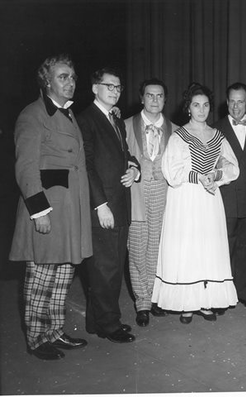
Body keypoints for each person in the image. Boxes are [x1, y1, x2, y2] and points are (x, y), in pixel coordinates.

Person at [9, 54, 91, 360]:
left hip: (70, 210)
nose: (70, 82)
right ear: (46, 81)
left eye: (72, 76)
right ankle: (36, 338)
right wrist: (39, 211)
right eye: (62, 76)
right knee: (40, 277)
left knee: (62, 276)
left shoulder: (69, 115)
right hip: (48, 209)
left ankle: (54, 331)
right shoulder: (33, 115)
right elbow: (26, 167)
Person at [151, 83, 239, 324]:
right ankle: (186, 305)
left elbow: (232, 167)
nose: (201, 110)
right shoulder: (179, 136)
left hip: (209, 199)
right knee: (188, 249)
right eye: (196, 105)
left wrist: (215, 176)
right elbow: (171, 171)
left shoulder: (217, 135)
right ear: (188, 108)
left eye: (206, 105)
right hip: (186, 198)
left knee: (208, 249)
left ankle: (205, 302)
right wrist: (197, 176)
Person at [77, 67, 140, 343]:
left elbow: (126, 155)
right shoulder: (86, 119)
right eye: (109, 86)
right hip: (104, 206)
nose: (115, 91)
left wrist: (134, 170)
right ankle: (108, 325)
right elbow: (86, 166)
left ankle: (98, 321)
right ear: (95, 88)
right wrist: (100, 204)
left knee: (111, 265)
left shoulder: (114, 118)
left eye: (118, 87)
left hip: (119, 202)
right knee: (105, 268)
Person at [124, 78, 177, 327]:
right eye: (150, 95)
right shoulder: (123, 126)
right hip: (136, 192)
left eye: (160, 96)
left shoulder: (176, 131)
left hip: (164, 193)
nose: (155, 100)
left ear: (165, 99)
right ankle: (142, 302)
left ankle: (154, 297)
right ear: (141, 98)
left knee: (157, 247)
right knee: (137, 247)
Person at [213, 82, 246, 309]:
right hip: (225, 199)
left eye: (240, 101)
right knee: (224, 249)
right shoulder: (215, 128)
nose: (236, 106)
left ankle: (243, 293)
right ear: (227, 102)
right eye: (232, 101)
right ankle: (222, 296)